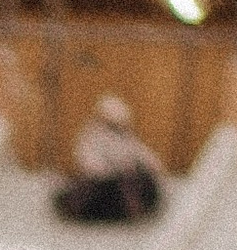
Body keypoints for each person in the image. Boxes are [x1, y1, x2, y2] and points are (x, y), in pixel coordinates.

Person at [53, 91, 163, 223]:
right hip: (101, 183)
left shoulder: (125, 136)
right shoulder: (90, 136)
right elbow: (88, 162)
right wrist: (111, 171)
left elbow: (140, 152)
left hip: (124, 180)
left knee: (142, 185)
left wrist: (152, 165)